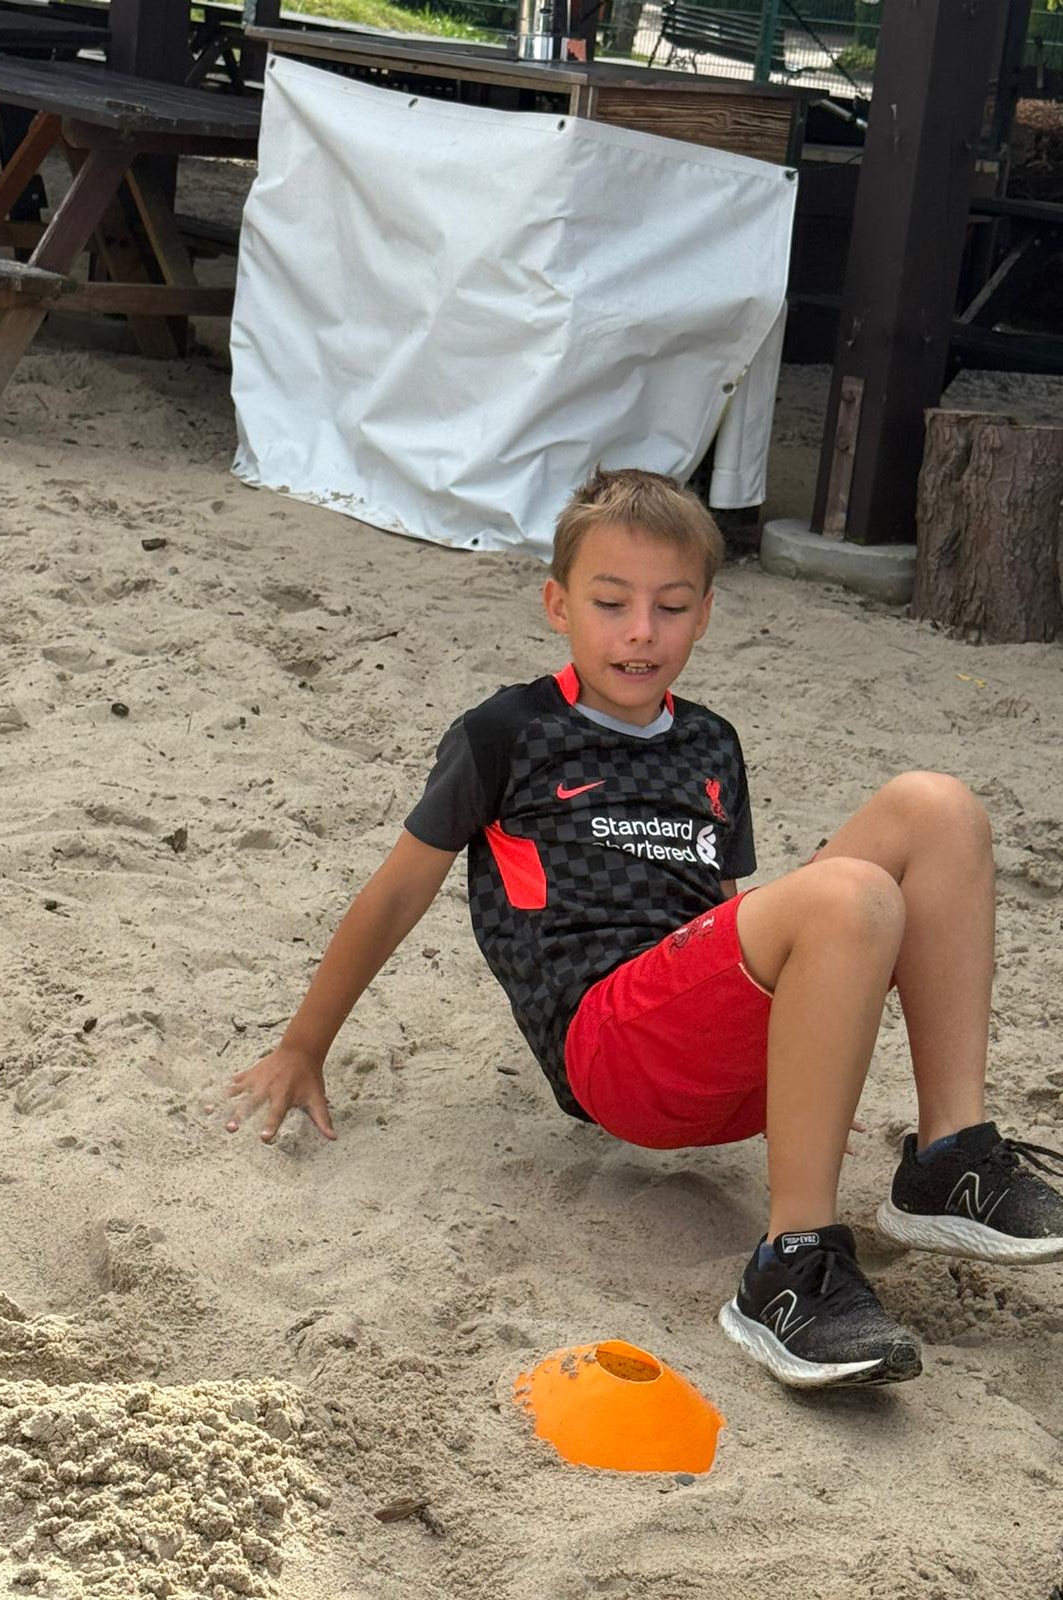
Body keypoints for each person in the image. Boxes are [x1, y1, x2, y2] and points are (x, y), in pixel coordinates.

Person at [223, 466, 1063, 1390]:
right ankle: (791, 1267)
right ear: (558, 604)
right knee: (851, 893)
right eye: (611, 602)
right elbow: (394, 895)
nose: (640, 631)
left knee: (938, 808)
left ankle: (949, 1156)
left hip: (702, 1041)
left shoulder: (710, 742)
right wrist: (304, 1045)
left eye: (670, 607)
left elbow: (721, 915)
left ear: (704, 615)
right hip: (609, 1047)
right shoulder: (508, 733)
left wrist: (807, 1061)